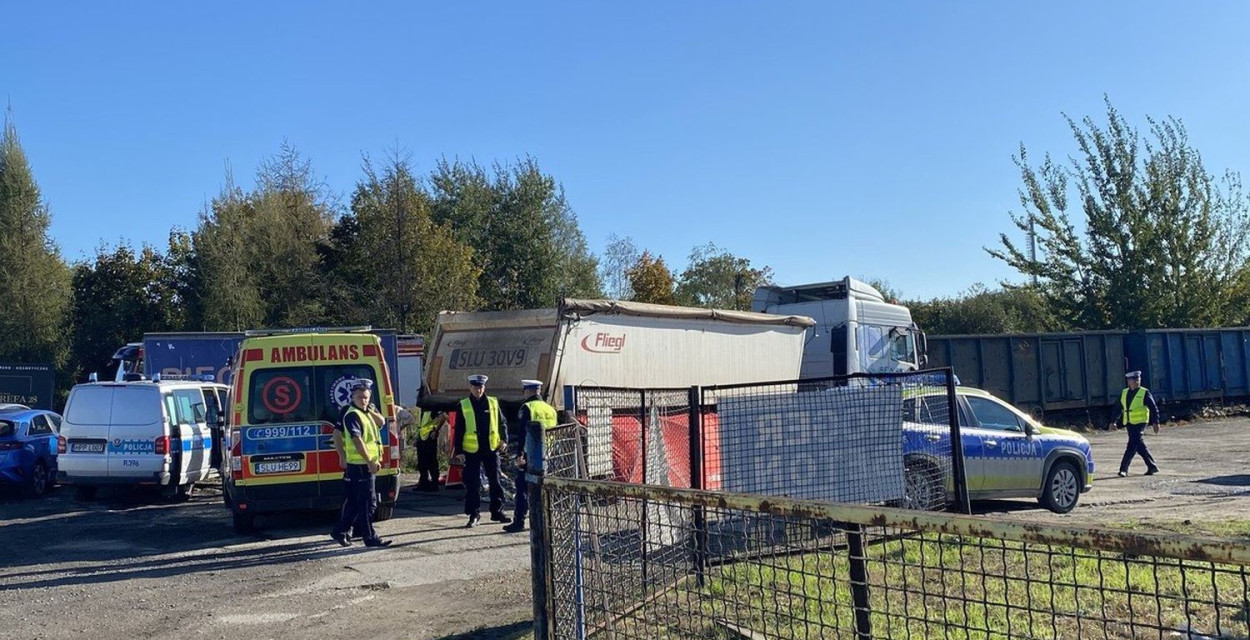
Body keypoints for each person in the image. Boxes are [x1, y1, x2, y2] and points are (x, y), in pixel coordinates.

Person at [330, 380, 392, 548]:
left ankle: (340, 531)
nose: (363, 400)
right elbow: (356, 440)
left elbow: (381, 423)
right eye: (359, 397)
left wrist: (370, 411)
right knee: (368, 503)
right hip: (360, 465)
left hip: (362, 464)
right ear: (352, 396)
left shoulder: (366, 412)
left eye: (365, 397)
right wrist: (367, 460)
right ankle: (370, 538)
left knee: (355, 502)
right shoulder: (351, 414)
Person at [454, 374, 510, 527]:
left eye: (480, 387)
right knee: (473, 484)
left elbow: (502, 423)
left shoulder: (492, 402)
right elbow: (458, 429)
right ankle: (473, 514)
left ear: (484, 387)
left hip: (491, 448)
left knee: (496, 481)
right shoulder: (463, 404)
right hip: (471, 450)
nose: (478, 390)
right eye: (475, 387)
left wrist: (504, 440)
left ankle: (497, 511)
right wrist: (458, 450)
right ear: (470, 388)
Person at [503, 379, 558, 534]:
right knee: (543, 489)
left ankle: (519, 521)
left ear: (527, 391)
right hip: (547, 454)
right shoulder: (550, 409)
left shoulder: (527, 407)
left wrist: (519, 455)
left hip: (530, 455)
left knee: (522, 489)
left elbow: (523, 434)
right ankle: (545, 522)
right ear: (539, 391)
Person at [1111, 370, 1160, 477]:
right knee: (1137, 445)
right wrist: (1113, 422)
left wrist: (1156, 422)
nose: (1137, 381)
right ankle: (1152, 466)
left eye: (1138, 379)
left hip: (1141, 422)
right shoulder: (1124, 393)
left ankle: (1123, 469)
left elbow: (1153, 408)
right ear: (1129, 381)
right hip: (1129, 422)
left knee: (1131, 445)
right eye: (1134, 379)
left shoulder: (1144, 392)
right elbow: (1117, 408)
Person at [413, 384, 447, 493]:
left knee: (431, 462)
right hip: (422, 437)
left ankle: (434, 484)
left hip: (430, 437)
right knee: (422, 463)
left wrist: (436, 430)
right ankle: (424, 482)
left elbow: (443, 416)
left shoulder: (433, 404)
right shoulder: (422, 407)